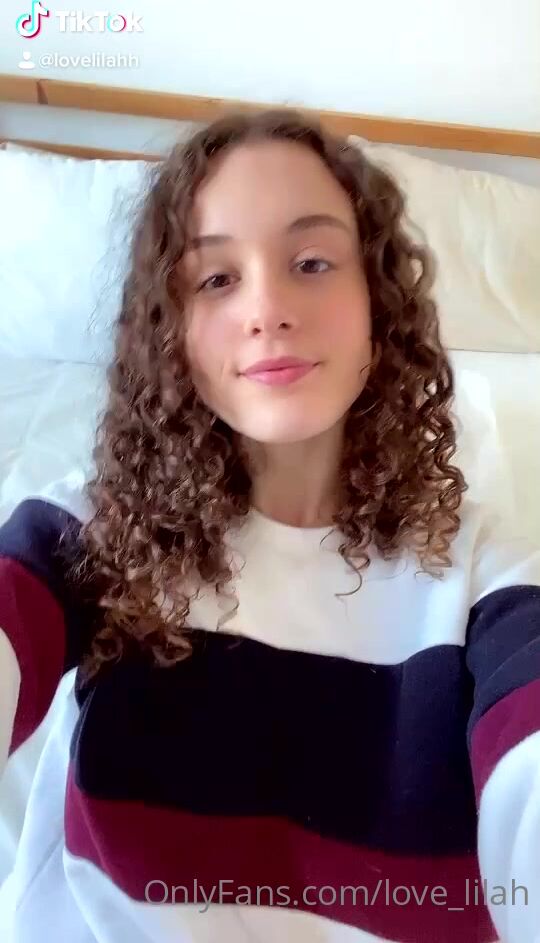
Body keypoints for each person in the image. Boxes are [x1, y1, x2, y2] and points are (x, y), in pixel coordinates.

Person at [0, 108, 539, 943]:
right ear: (171, 331)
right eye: (217, 278)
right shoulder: (96, 527)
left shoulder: (486, 577)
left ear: (379, 305)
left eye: (312, 263)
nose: (268, 308)